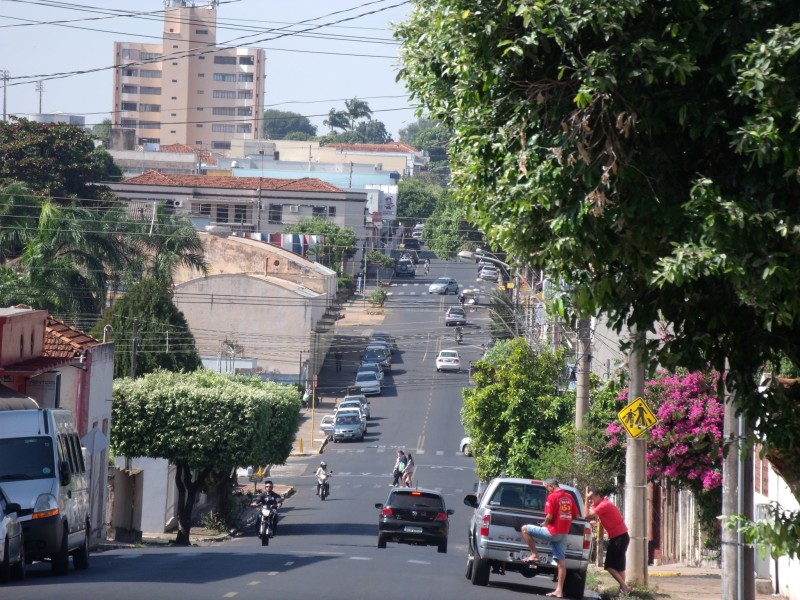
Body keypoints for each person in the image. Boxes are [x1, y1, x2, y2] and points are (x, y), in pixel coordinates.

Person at [520, 478, 579, 598]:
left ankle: (534, 554)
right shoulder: (569, 497)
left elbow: (549, 516)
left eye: (547, 488)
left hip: (553, 532)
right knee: (561, 563)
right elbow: (575, 516)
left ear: (551, 486)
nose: (547, 491)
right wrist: (564, 521)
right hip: (563, 534)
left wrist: (544, 524)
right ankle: (559, 591)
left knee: (525, 529)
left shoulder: (552, 497)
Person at [585, 488, 631, 595]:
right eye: (589, 499)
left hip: (619, 537)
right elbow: (587, 515)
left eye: (591, 498)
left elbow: (587, 515)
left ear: (598, 496)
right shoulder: (598, 505)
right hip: (618, 537)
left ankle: (624, 587)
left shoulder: (604, 504)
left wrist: (585, 499)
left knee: (609, 566)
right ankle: (623, 591)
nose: (590, 500)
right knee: (619, 567)